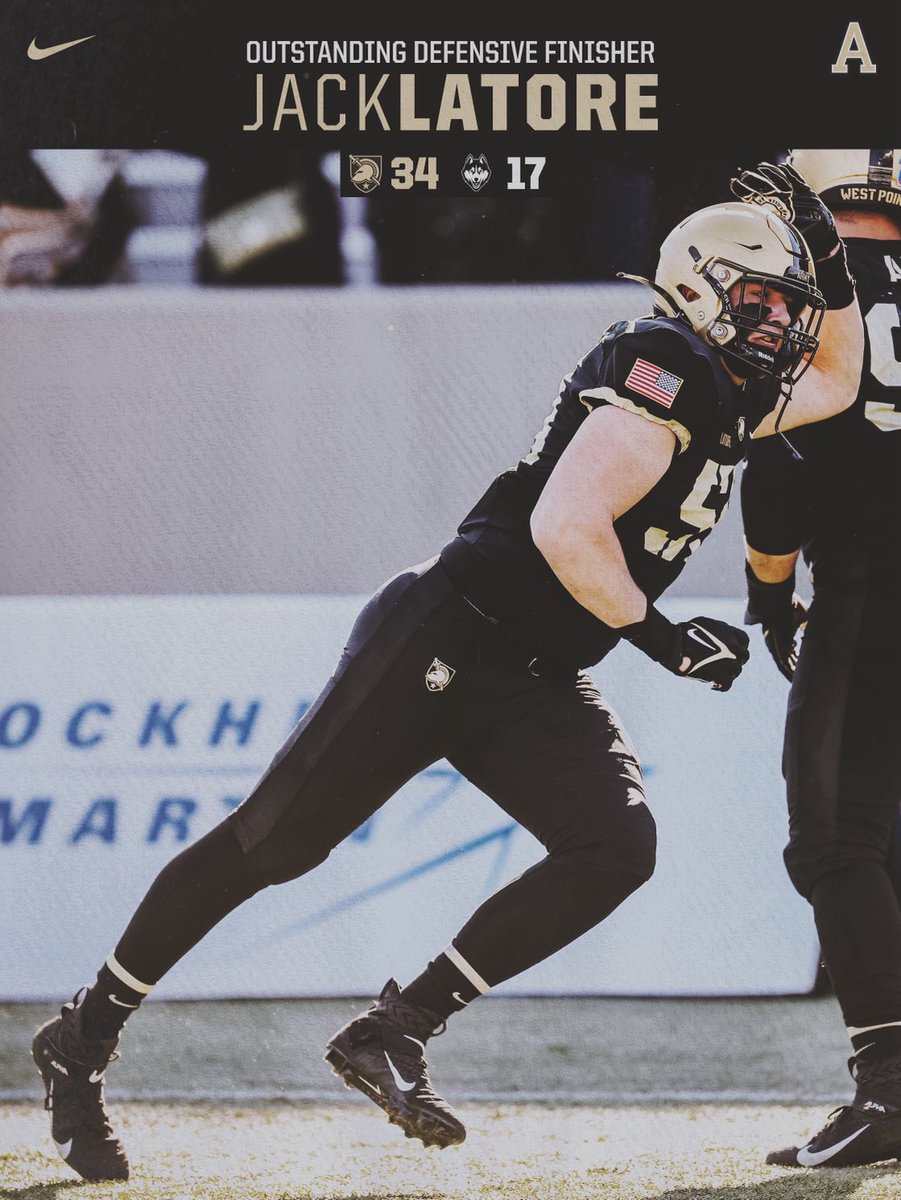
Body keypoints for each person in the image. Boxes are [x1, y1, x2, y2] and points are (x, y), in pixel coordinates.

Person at [30, 171, 863, 1182]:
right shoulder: (668, 361)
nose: (780, 323)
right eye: (763, 298)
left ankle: (398, 1025)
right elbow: (566, 524)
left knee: (613, 844)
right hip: (450, 635)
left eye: (786, 302)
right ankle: (85, 1034)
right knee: (271, 846)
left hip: (533, 670)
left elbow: (835, 383)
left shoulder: (725, 390)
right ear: (699, 287)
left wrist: (827, 255)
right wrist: (658, 636)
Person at [738, 151, 901, 1169]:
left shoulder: (809, 289)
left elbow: (776, 462)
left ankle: (889, 1092)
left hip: (873, 578)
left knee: (836, 839)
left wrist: (768, 596)